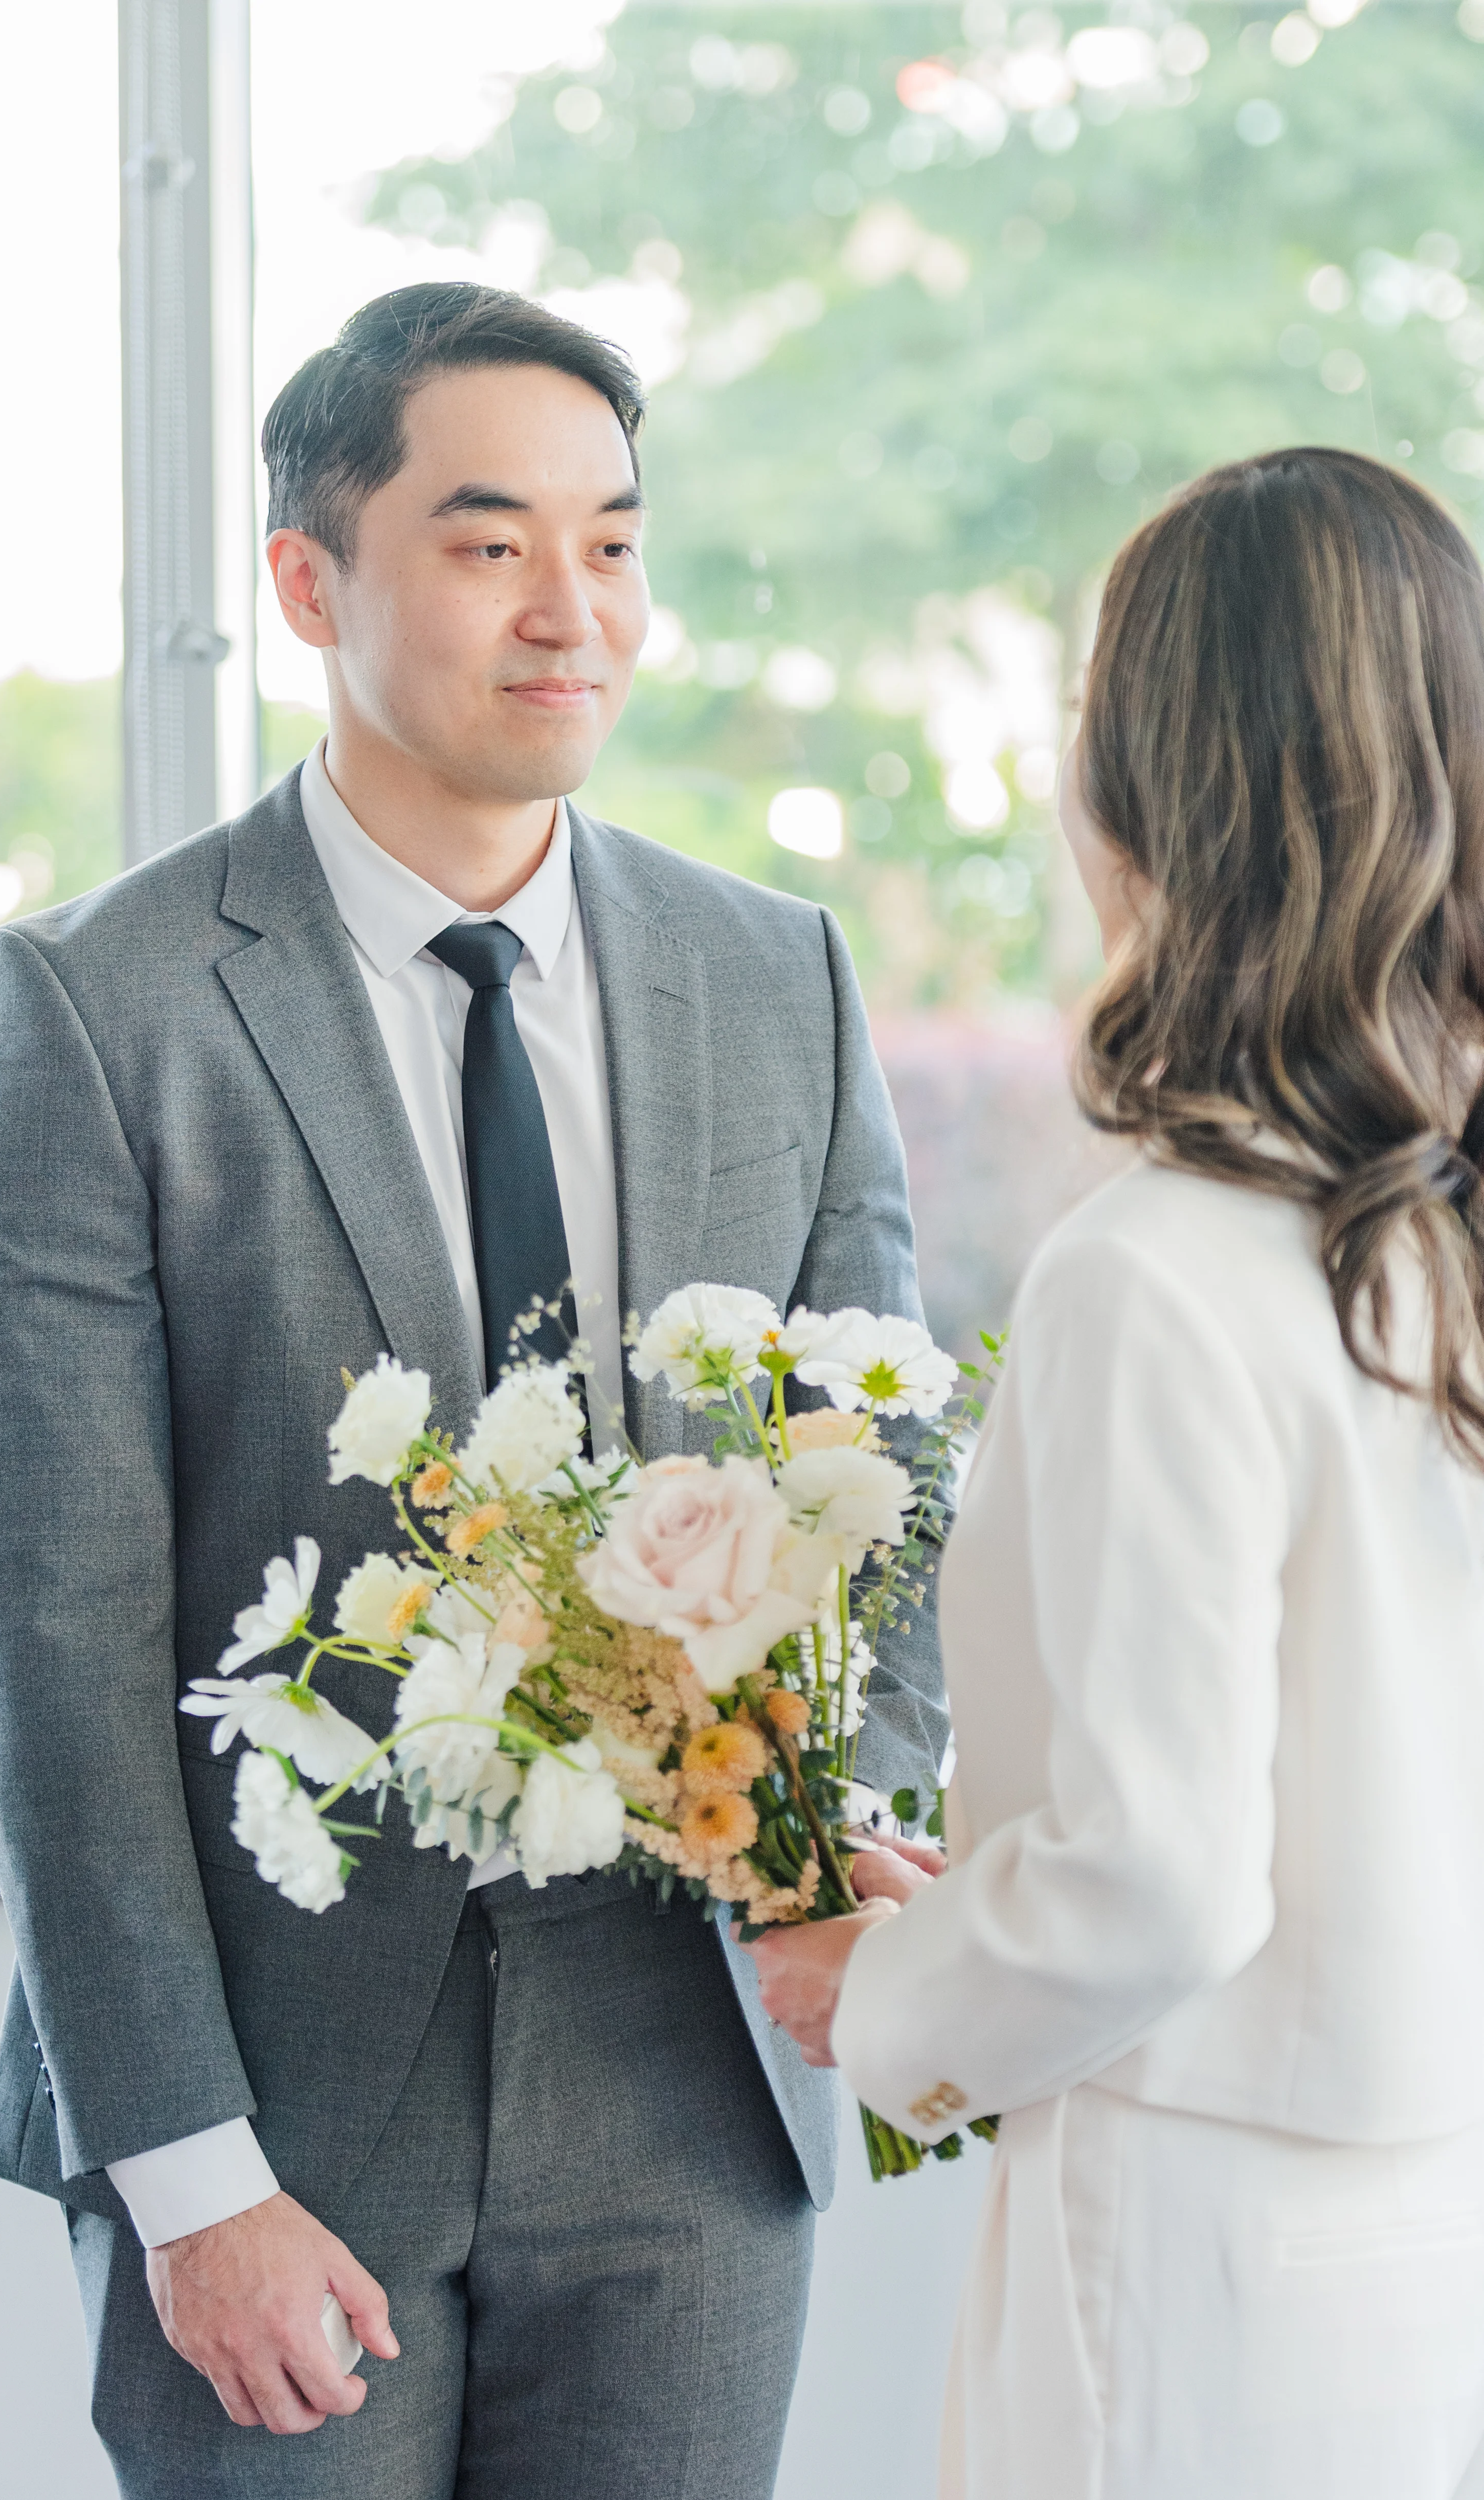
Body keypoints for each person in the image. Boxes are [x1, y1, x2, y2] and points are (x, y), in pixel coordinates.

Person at [0, 281, 947, 2500]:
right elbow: (56, 1645)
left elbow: (879, 1491)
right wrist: (188, 2180)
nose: (568, 608)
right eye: (488, 542)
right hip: (284, 2105)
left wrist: (824, 1874)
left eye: (611, 538)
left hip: (691, 2082)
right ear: (309, 580)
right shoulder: (102, 1013)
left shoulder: (779, 978)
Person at [750, 447, 1484, 2499]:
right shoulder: (1427, 1232)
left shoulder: (1159, 1264)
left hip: (1206, 2255)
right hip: (1431, 2221)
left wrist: (884, 1982)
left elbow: (1160, 1875)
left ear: (1149, 788)